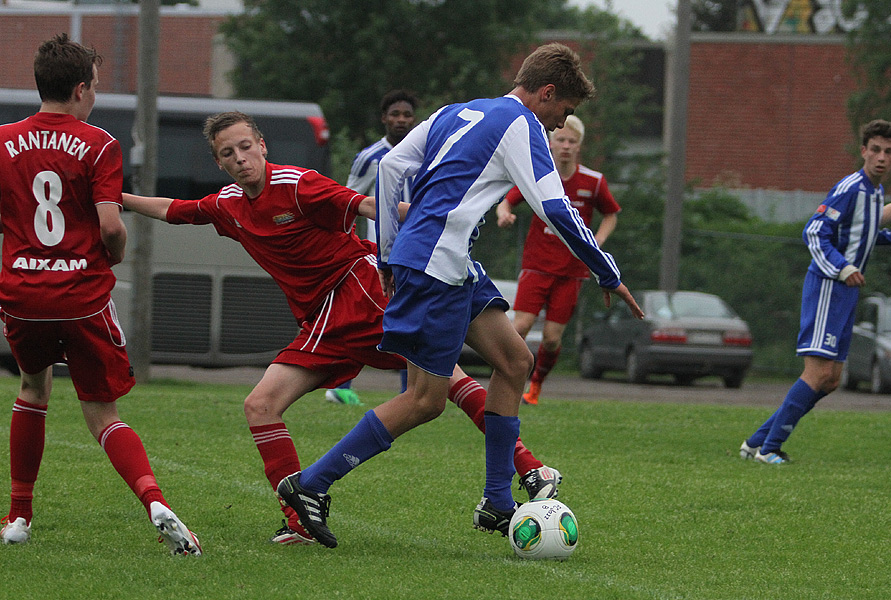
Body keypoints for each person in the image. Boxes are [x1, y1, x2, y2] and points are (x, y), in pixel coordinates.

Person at [123, 111, 562, 546]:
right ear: (220, 164)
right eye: (227, 153)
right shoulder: (228, 205)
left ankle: (526, 467)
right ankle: (300, 518)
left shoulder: (297, 184)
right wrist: (117, 199)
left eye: (245, 146)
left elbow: (369, 205)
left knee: (439, 381)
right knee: (261, 406)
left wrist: (434, 219)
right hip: (322, 319)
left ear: (262, 146)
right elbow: (172, 209)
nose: (240, 158)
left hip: (359, 291)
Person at [277, 43, 643, 549]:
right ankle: (310, 485)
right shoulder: (523, 125)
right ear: (548, 93)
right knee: (425, 400)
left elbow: (390, 169)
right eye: (566, 111)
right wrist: (608, 273)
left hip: (446, 263)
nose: (562, 124)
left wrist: (388, 255)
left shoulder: (458, 111)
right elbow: (555, 207)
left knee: (515, 361)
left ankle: (497, 500)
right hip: (436, 267)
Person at [0, 34, 200, 555]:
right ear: (81, 89)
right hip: (81, 297)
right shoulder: (99, 143)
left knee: (32, 391)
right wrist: (111, 255)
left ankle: (19, 516)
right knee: (103, 414)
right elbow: (110, 225)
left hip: (22, 294)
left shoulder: (2, 141)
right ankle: (155, 501)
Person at [739, 118, 891, 465]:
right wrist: (843, 267)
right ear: (863, 151)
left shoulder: (875, 194)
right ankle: (769, 451)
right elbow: (814, 232)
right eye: (875, 150)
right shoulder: (852, 188)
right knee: (817, 373)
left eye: (889, 151)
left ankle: (756, 442)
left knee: (831, 380)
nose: (881, 157)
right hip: (829, 284)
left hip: (847, 291)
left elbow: (870, 235)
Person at [496, 114, 620, 405]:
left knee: (552, 338)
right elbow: (507, 200)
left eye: (571, 141)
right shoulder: (539, 174)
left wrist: (596, 242)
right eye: (561, 140)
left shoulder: (594, 181)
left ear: (579, 147)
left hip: (572, 270)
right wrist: (504, 214)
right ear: (551, 144)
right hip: (537, 264)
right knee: (520, 327)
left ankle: (536, 385)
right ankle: (505, 382)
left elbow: (611, 214)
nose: (565, 146)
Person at [324, 89, 418, 406]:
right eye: (395, 114)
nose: (401, 120)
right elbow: (348, 200)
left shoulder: (425, 154)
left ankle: (410, 392)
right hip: (380, 254)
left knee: (412, 319)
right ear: (384, 119)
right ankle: (340, 385)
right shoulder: (370, 157)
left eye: (406, 115)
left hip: (418, 250)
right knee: (371, 319)